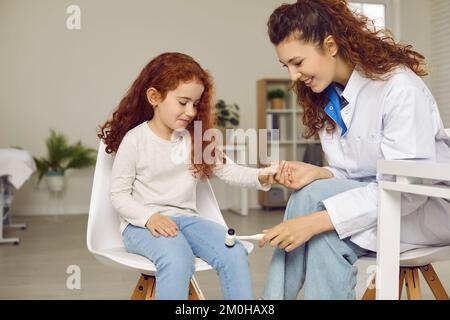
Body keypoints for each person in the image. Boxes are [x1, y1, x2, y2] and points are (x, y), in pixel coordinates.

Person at [258, 0, 450, 300]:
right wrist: (319, 173)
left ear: (330, 45)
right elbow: (356, 172)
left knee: (316, 215)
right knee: (323, 235)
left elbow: (408, 189)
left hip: (425, 209)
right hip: (380, 202)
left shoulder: (399, 88)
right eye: (287, 66)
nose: (293, 75)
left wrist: (316, 221)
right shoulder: (327, 96)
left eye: (298, 62)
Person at [98, 52, 278, 300]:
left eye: (195, 103)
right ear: (154, 97)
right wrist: (150, 217)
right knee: (177, 258)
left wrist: (262, 176)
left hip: (188, 220)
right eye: (183, 102)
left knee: (234, 253)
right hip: (141, 226)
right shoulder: (135, 140)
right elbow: (118, 195)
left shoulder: (196, 137)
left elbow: (228, 169)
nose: (191, 111)